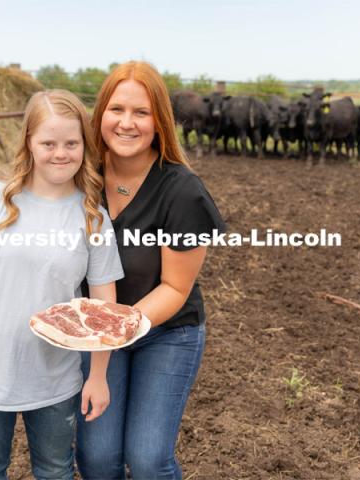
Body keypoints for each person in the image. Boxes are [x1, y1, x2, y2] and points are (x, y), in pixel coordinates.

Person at [0, 90, 124, 480]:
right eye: (49, 143)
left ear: (84, 146)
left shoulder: (93, 218)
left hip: (56, 378)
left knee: (55, 471)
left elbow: (104, 304)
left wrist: (98, 375)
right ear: (29, 143)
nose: (61, 153)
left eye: (72, 143)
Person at [75, 62, 227, 480]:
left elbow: (175, 288)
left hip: (165, 332)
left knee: (146, 459)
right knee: (97, 459)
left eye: (141, 113)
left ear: (160, 121)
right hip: (98, 334)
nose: (127, 123)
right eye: (117, 109)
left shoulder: (182, 190)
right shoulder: (79, 178)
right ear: (100, 115)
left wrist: (116, 327)